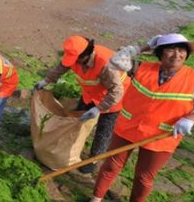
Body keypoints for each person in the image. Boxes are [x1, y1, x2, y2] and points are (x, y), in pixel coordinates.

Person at [83, 33, 194, 202]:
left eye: (182, 50)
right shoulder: (141, 68)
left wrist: (193, 118)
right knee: (111, 166)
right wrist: (144, 46)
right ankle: (96, 199)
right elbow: (116, 61)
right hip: (128, 128)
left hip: (161, 137)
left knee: (144, 176)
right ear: (160, 53)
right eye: (171, 49)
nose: (177, 54)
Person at [35, 36, 129, 173]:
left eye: (77, 60)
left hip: (114, 99)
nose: (75, 63)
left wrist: (99, 108)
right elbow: (62, 67)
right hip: (90, 94)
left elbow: (116, 91)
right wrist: (46, 81)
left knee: (104, 131)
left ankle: (94, 159)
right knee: (77, 120)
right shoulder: (74, 57)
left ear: (87, 54)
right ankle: (71, 146)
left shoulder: (106, 64)